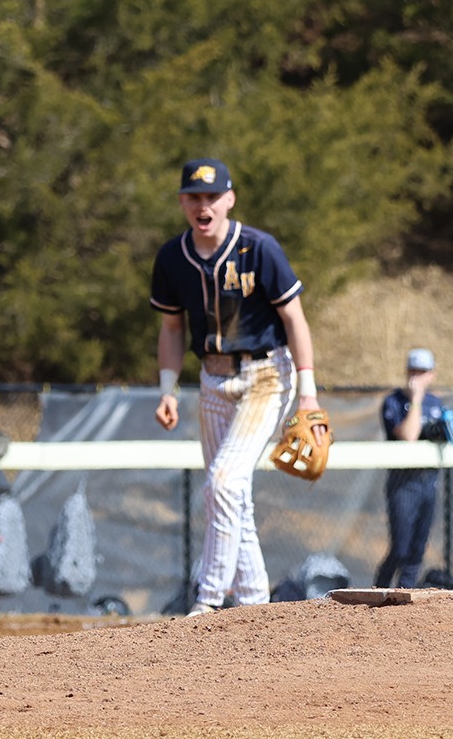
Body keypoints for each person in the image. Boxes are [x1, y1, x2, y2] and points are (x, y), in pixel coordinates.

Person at [150, 158, 325, 615]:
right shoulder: (173, 257)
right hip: (212, 377)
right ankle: (253, 605)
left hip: (266, 375)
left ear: (229, 199)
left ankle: (207, 602)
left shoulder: (258, 248)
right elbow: (171, 329)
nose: (202, 205)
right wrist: (167, 389)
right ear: (182, 202)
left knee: (223, 483)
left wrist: (307, 392)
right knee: (231, 495)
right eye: (193, 196)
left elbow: (294, 318)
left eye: (211, 196)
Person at [374, 348, 453, 588]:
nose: (417, 377)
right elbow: (409, 436)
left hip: (429, 482)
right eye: (413, 371)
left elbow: (443, 436)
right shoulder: (394, 402)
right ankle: (378, 592)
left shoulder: (435, 403)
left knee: (417, 549)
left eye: (423, 372)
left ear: (432, 375)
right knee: (400, 547)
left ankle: (404, 597)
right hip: (403, 485)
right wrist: (415, 401)